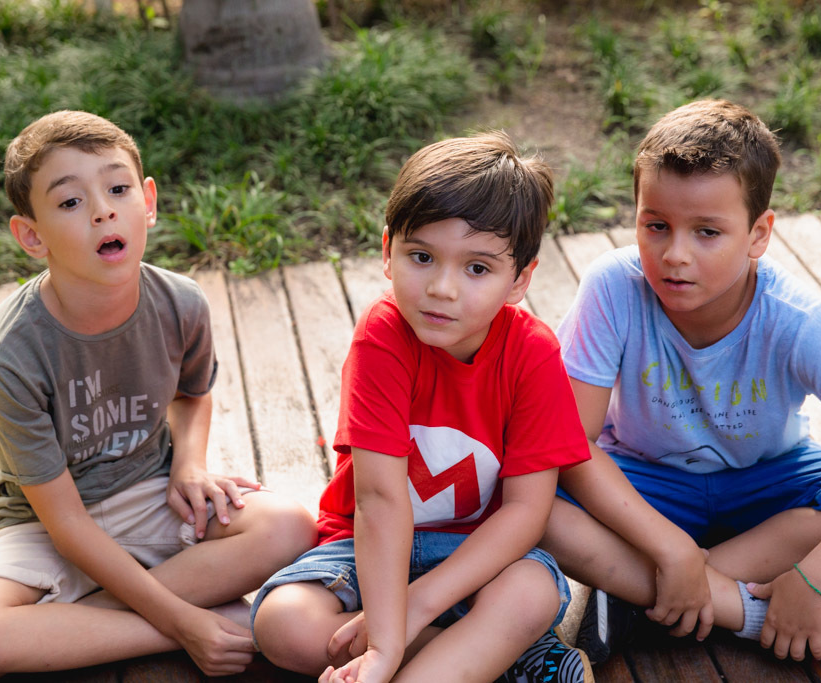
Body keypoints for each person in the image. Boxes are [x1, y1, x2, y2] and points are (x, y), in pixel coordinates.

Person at [542, 99, 821, 664]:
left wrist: (818, 575)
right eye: (655, 226)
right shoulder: (614, 287)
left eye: (707, 232)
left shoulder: (795, 319)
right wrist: (671, 549)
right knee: (531, 496)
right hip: (644, 483)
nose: (674, 255)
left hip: (766, 485)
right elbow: (570, 443)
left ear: (758, 235)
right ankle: (750, 613)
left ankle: (641, 595)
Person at [0, 110, 317, 680]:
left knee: (289, 525)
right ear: (31, 235)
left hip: (149, 491)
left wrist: (188, 465)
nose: (103, 210)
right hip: (43, 523)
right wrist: (185, 622)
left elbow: (192, 393)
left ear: (148, 201)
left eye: (117, 188)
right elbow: (66, 525)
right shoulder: (10, 354)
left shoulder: (180, 302)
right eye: (69, 202)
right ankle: (162, 625)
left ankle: (67, 631)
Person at [250, 132, 594, 683]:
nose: (442, 288)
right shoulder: (383, 337)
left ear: (520, 280)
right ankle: (497, 662)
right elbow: (380, 500)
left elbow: (527, 512)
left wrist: (413, 613)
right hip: (367, 550)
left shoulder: (532, 352)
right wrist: (386, 635)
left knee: (529, 594)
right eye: (421, 256)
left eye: (477, 268)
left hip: (478, 552)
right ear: (388, 251)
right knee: (283, 625)